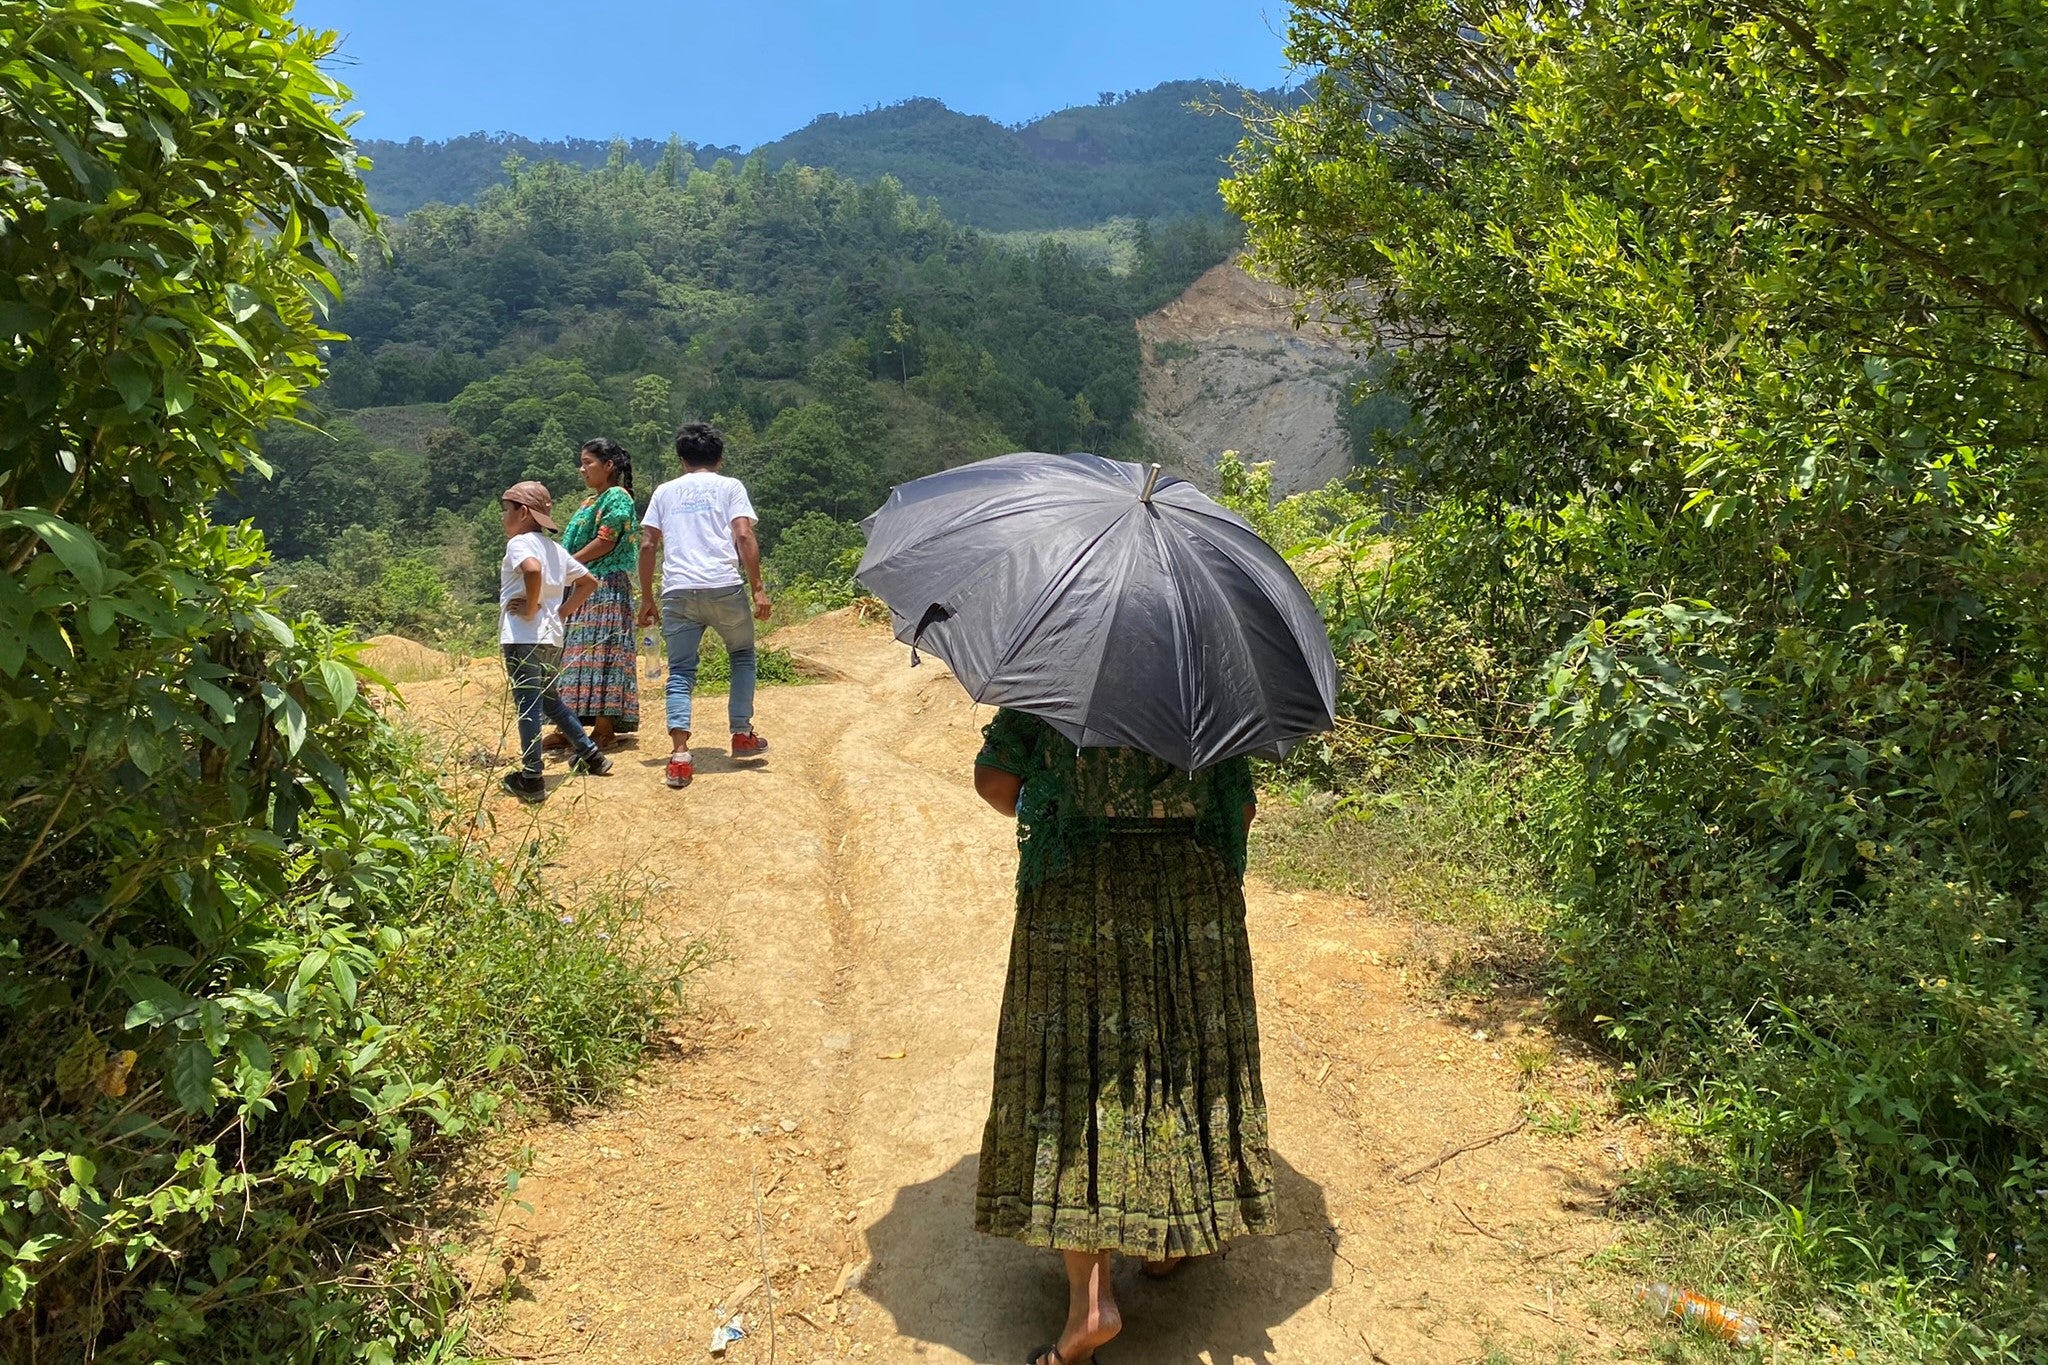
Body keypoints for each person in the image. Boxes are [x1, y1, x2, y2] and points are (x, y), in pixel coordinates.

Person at [971, 708, 1272, 1365]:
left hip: (1081, 892)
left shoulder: (1055, 679)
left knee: (1085, 1085)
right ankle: (1167, 1241)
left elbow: (995, 780)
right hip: (1192, 900)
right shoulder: (1200, 686)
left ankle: (1092, 1301)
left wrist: (1061, 804)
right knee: (1175, 1068)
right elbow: (1240, 809)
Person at [634, 421, 773, 790]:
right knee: (741, 655)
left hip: (677, 591)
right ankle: (741, 734)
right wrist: (758, 588)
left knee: (681, 670)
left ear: (681, 459)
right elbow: (743, 534)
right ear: (720, 457)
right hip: (723, 586)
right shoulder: (730, 487)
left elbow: (648, 544)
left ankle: (680, 756)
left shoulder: (664, 492)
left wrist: (647, 598)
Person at [498, 480, 614, 803]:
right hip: (551, 640)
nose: (503, 517)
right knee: (550, 700)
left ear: (522, 513)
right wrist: (559, 613)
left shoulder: (520, 544)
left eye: (506, 510)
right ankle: (592, 756)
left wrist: (533, 607)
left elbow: (531, 572)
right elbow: (588, 582)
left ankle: (532, 779)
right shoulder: (555, 549)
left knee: (528, 705)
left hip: (523, 639)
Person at [554, 437, 641, 749]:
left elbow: (606, 541)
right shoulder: (590, 502)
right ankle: (568, 726)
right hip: (583, 586)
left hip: (605, 588)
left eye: (587, 463)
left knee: (605, 654)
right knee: (575, 655)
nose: (582, 469)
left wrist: (568, 563)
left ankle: (604, 728)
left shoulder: (617, 497)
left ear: (609, 466)